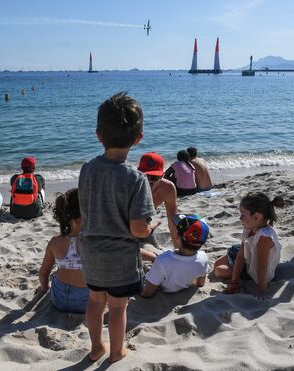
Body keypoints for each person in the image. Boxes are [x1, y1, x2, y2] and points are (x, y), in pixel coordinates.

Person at [78, 92, 159, 363]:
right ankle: (116, 351)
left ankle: (95, 347)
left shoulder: (87, 169)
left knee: (94, 301)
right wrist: (151, 227)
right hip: (120, 257)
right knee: (117, 307)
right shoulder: (136, 179)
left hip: (90, 250)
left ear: (99, 135)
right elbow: (137, 229)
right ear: (138, 138)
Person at [214, 192, 284, 298]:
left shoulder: (264, 237)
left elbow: (262, 266)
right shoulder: (248, 229)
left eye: (242, 215)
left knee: (219, 271)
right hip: (248, 256)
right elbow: (241, 256)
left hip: (255, 269)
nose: (240, 218)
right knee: (216, 264)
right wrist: (234, 282)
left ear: (256, 216)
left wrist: (261, 291)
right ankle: (230, 263)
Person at [38, 189, 88, 314]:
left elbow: (43, 274)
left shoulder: (55, 241)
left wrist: (45, 288)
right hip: (85, 302)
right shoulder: (92, 242)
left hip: (58, 299)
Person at [140, 214, 210, 298]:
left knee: (142, 249)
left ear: (177, 236)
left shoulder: (163, 261)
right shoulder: (203, 257)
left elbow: (146, 293)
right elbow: (200, 283)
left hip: (160, 284)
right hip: (168, 269)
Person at [137, 152, 181, 252]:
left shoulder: (167, 188)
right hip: (123, 229)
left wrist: (178, 249)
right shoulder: (129, 185)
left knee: (157, 252)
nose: (149, 180)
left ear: (162, 175)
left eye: (154, 177)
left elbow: (173, 221)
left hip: (145, 226)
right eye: (145, 176)